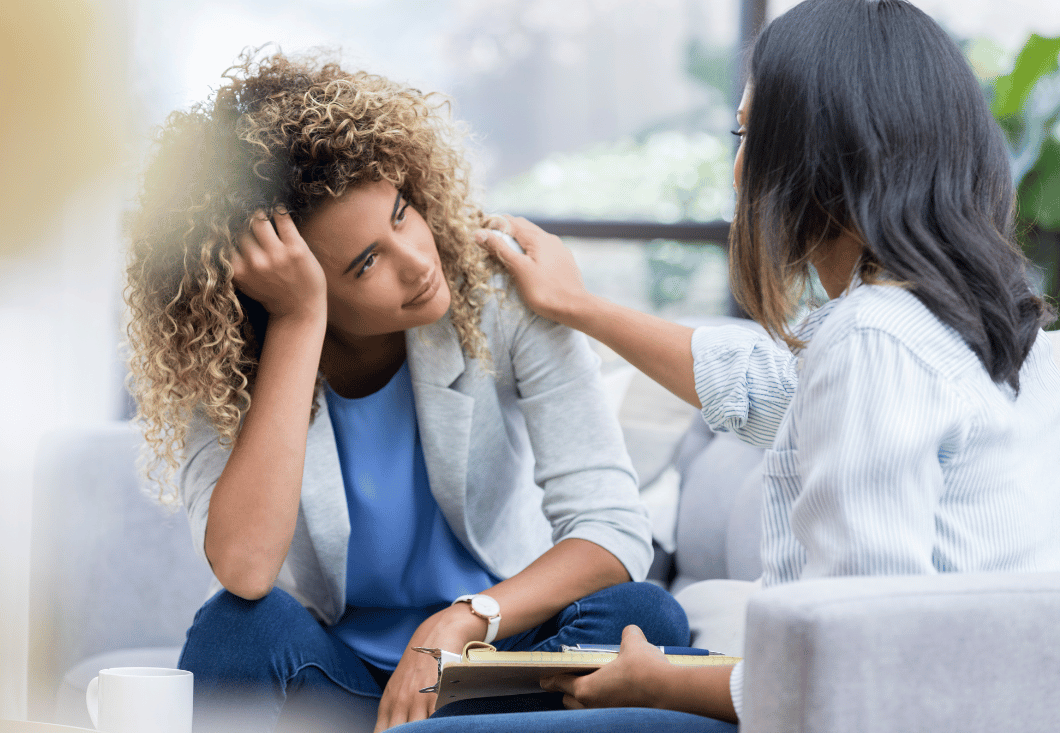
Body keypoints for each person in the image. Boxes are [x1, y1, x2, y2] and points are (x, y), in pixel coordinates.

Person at [396, 1, 1060, 731]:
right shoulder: (972, 331)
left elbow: (858, 658)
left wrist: (661, 683)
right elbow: (768, 390)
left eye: (749, 133)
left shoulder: (876, 339)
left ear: (820, 152)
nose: (739, 165)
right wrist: (579, 306)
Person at [123, 50, 691, 733]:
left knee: (644, 615)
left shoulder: (501, 294)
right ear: (282, 287)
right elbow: (244, 570)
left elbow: (612, 527)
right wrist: (301, 323)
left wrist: (464, 618)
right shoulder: (223, 362)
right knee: (234, 629)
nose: (418, 261)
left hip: (493, 665)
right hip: (339, 678)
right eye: (366, 263)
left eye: (401, 213)